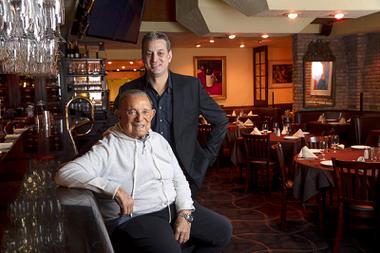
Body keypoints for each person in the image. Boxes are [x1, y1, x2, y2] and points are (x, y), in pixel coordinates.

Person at [55, 90, 232, 253]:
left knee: (222, 231)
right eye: (132, 111)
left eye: (145, 111)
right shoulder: (108, 147)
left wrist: (185, 212)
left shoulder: (159, 140)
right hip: (139, 216)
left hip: (171, 207)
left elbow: (179, 179)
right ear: (119, 115)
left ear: (152, 114)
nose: (140, 118)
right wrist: (114, 190)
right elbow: (64, 173)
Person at [114, 32, 228, 197]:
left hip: (185, 172)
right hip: (143, 174)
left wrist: (207, 158)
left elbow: (221, 121)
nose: (154, 59)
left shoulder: (191, 86)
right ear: (143, 57)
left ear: (169, 56)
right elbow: (114, 127)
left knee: (184, 218)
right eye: (149, 53)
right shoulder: (128, 90)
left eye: (160, 53)